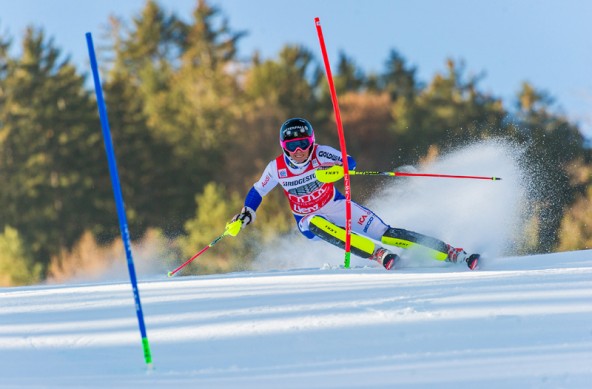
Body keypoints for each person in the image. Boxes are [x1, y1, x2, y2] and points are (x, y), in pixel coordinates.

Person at [231, 117, 479, 270]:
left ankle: (451, 253)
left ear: (312, 142)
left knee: (386, 233)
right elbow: (257, 191)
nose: (298, 151)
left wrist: (335, 172)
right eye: (291, 146)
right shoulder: (276, 169)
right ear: (283, 147)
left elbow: (350, 163)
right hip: (307, 219)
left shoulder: (321, 153)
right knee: (316, 223)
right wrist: (246, 213)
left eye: (303, 144)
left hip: (336, 205)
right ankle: (376, 254)